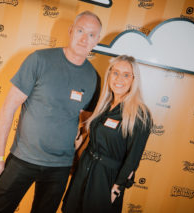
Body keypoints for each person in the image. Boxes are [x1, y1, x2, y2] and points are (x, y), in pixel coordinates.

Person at [0, 10, 102, 213]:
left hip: (59, 168)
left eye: (91, 35)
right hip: (22, 159)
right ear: (71, 30)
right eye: (81, 30)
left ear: (97, 40)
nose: (84, 39)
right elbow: (8, 108)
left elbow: (86, 125)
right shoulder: (39, 60)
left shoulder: (93, 78)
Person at [62, 55, 152, 213]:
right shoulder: (104, 104)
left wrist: (117, 187)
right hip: (85, 169)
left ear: (133, 79)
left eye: (126, 75)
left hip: (106, 179)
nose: (119, 79)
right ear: (109, 74)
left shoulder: (140, 114)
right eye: (115, 72)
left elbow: (133, 158)